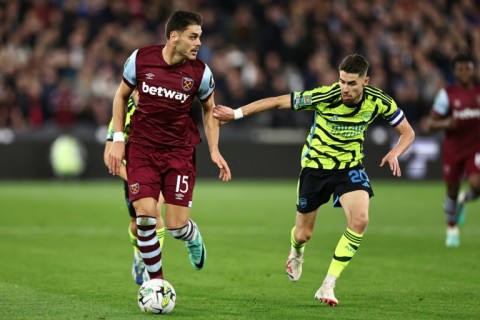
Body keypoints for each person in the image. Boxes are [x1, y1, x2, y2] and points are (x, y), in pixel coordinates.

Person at [213, 54, 415, 306]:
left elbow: (407, 131)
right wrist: (236, 113)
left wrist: (396, 151)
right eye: (342, 81)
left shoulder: (379, 101)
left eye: (352, 83)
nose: (345, 88)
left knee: (360, 220)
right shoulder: (325, 96)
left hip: (349, 168)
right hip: (315, 169)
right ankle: (296, 251)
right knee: (303, 234)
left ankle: (328, 285)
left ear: (366, 81)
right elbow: (277, 102)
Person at [108, 10, 231, 282]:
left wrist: (214, 150)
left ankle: (191, 235)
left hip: (179, 152)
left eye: (200, 36)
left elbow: (209, 110)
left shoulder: (200, 73)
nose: (199, 43)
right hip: (141, 149)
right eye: (193, 36)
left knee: (175, 226)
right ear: (174, 37)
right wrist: (118, 140)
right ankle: (156, 283)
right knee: (145, 218)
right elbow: (120, 96)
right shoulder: (140, 59)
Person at [104, 89, 166, 285]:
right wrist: (134, 178)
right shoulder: (121, 116)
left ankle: (152, 267)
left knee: (155, 213)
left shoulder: (161, 112)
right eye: (137, 91)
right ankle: (138, 255)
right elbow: (108, 156)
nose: (141, 94)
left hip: (159, 170)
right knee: (136, 222)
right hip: (133, 173)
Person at [420, 53, 480, 247]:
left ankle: (466, 198)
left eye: (468, 68)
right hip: (453, 149)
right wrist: (447, 122)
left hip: (475, 148)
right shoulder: (447, 94)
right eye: (460, 68)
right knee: (452, 191)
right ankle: (452, 226)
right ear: (455, 71)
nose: (464, 72)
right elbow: (430, 124)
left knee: (477, 185)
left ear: (473, 70)